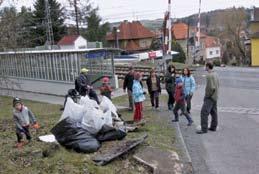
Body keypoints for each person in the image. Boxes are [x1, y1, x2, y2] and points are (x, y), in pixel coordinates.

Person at [197, 62, 220, 134]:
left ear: (207, 67)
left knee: (204, 112)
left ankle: (204, 129)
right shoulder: (216, 74)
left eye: (205, 66)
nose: (205, 68)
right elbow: (217, 85)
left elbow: (211, 88)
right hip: (215, 96)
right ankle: (213, 127)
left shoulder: (209, 75)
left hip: (210, 97)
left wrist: (207, 96)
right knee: (213, 112)